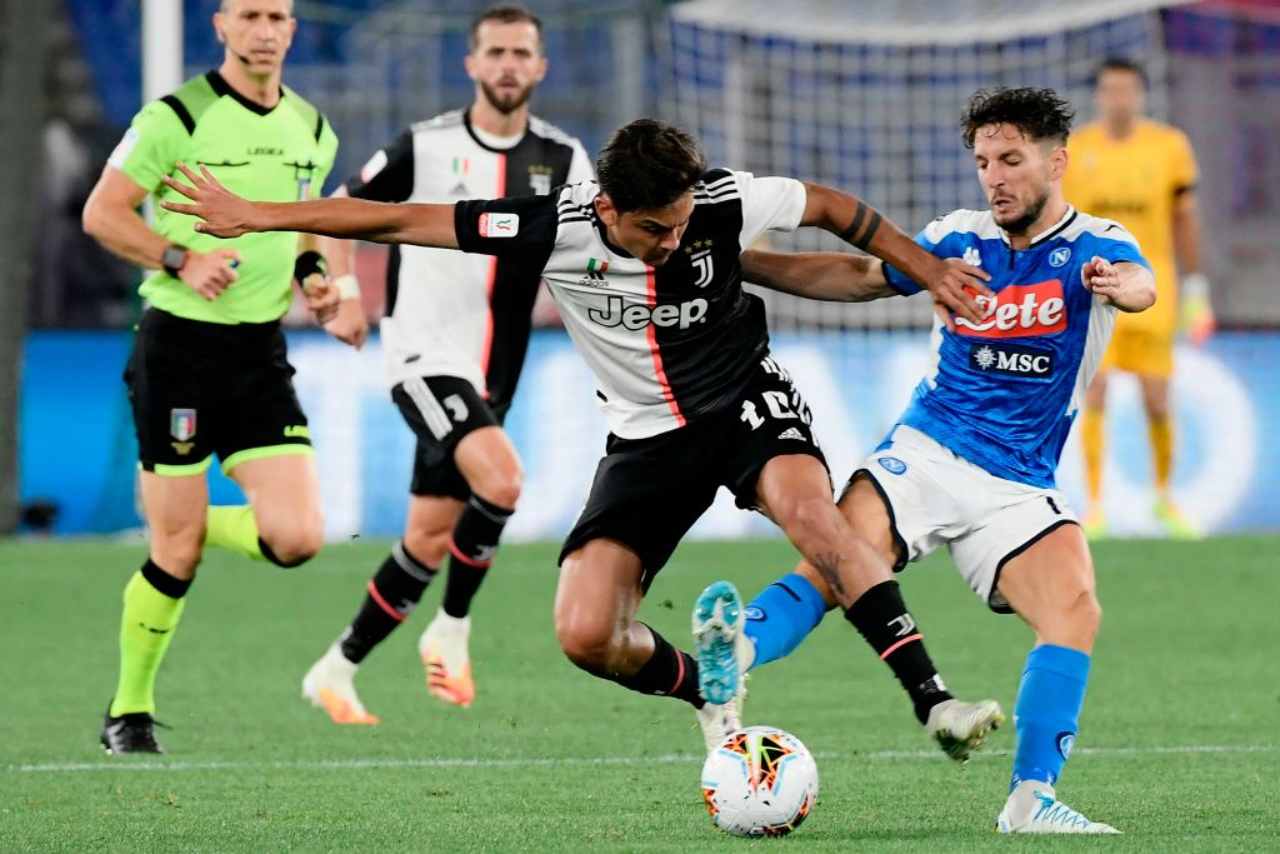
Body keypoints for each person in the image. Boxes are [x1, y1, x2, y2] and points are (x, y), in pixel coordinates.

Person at [160, 117, 1005, 759]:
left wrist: (923, 267)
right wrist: (258, 215)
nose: (674, 241)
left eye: (680, 224)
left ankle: (934, 700)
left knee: (818, 523)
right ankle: (710, 690)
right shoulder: (546, 225)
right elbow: (393, 221)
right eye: (653, 231)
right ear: (606, 207)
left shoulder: (718, 200)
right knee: (585, 633)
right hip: (645, 441)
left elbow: (830, 208)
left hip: (745, 399)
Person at [701, 87, 1156, 832]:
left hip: (1017, 482)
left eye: (1011, 160)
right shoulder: (959, 241)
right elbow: (859, 278)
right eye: (983, 162)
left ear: (1057, 161)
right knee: (838, 561)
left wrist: (1124, 289)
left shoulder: (1098, 247)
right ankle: (736, 648)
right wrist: (740, 263)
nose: (995, 177)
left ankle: (1029, 801)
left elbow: (1143, 285)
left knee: (1074, 609)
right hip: (928, 449)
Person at [300, 4, 593, 725]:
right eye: (494, 52)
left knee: (431, 536)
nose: (507, 66)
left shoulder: (564, 160)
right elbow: (341, 209)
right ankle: (452, 630)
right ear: (471, 63)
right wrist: (340, 291)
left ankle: (335, 669)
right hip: (421, 355)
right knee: (503, 477)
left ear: (541, 67)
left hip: (498, 372)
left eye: (521, 53)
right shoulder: (423, 147)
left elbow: (593, 260)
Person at [81, 0, 347, 754]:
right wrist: (179, 257)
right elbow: (104, 214)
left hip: (258, 354)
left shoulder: (313, 128)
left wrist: (315, 272)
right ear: (221, 26)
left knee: (298, 539)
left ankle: (186, 522)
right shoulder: (175, 117)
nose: (266, 30)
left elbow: (296, 222)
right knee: (175, 553)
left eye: (279, 16)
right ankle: (127, 712)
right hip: (179, 354)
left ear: (293, 30)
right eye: (250, 14)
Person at [1064, 57, 1210, 538]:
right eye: (1110, 90)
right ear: (1099, 96)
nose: (1119, 99)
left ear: (1141, 95)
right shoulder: (1077, 149)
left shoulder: (1169, 147)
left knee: (1157, 399)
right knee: (1097, 392)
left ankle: (1165, 497)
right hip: (1096, 289)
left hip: (1153, 289)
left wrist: (1195, 288)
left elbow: (1183, 219)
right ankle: (1096, 506)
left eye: (1127, 90)